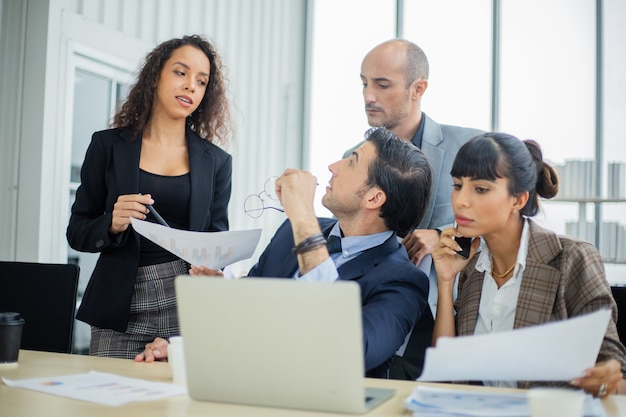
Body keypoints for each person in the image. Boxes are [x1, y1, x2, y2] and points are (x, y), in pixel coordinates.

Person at [138, 127, 432, 378]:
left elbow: (348, 351)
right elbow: (249, 322)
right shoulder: (291, 231)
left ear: (374, 197)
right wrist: (186, 353)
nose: (333, 166)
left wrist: (303, 215)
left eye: (351, 162)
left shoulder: (403, 281)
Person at [66, 34, 234, 359]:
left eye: (201, 81)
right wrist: (111, 224)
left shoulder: (218, 162)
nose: (190, 87)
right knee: (107, 405)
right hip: (118, 306)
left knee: (176, 407)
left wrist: (215, 267)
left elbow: (216, 241)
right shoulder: (107, 146)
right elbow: (77, 232)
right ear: (156, 74)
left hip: (186, 306)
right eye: (181, 73)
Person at [432, 132, 626, 396]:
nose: (461, 200)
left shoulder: (572, 258)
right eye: (457, 185)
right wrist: (445, 282)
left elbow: (613, 368)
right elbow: (445, 375)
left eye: (480, 189)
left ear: (519, 199)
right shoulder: (471, 268)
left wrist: (605, 379)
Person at [349, 38, 484, 380]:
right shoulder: (356, 156)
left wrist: (440, 234)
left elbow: (508, 212)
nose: (368, 95)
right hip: (380, 319)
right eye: (364, 83)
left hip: (447, 315)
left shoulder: (469, 146)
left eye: (382, 85)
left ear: (418, 88)